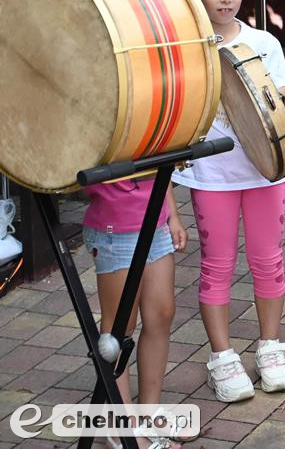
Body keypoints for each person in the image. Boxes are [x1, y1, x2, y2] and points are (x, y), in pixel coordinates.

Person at [172, 0, 285, 403]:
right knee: (217, 264)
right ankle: (223, 358)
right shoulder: (188, 49)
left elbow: (281, 95)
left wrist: (262, 98)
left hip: (264, 172)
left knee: (268, 260)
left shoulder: (263, 43)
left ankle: (270, 349)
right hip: (212, 177)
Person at [82, 179, 187, 449]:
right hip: (115, 226)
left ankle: (149, 412)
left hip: (156, 220)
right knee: (119, 329)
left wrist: (173, 215)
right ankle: (121, 427)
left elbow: (161, 161)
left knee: (161, 314)